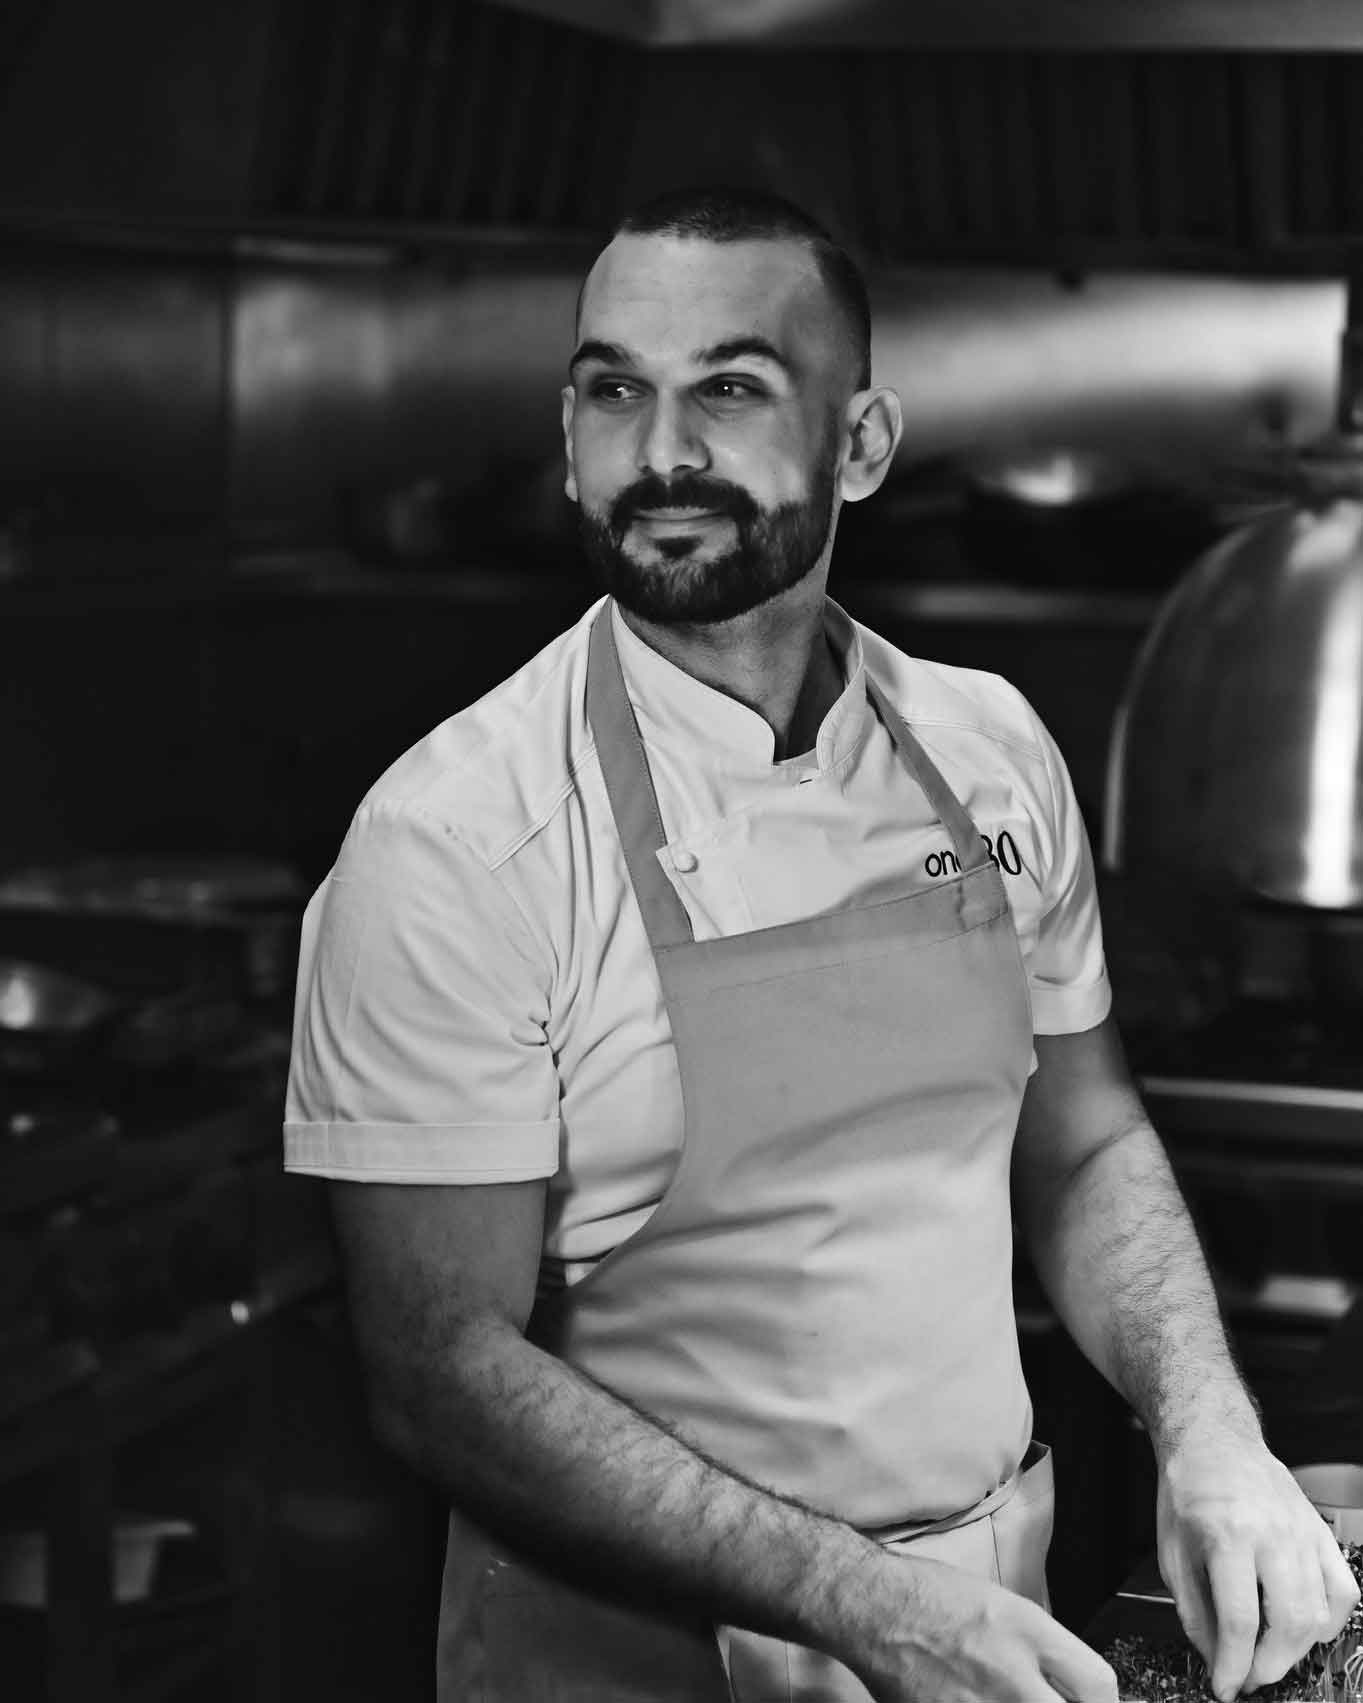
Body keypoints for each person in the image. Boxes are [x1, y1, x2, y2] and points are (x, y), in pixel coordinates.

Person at [284, 185, 1358, 1703]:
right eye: (614, 391)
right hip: (636, 1669)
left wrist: (1211, 1434)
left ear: (862, 444)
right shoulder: (458, 841)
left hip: (991, 1629)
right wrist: (860, 1602)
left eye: (729, 388)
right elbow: (440, 1372)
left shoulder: (985, 752)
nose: (660, 453)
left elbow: (1085, 1139)